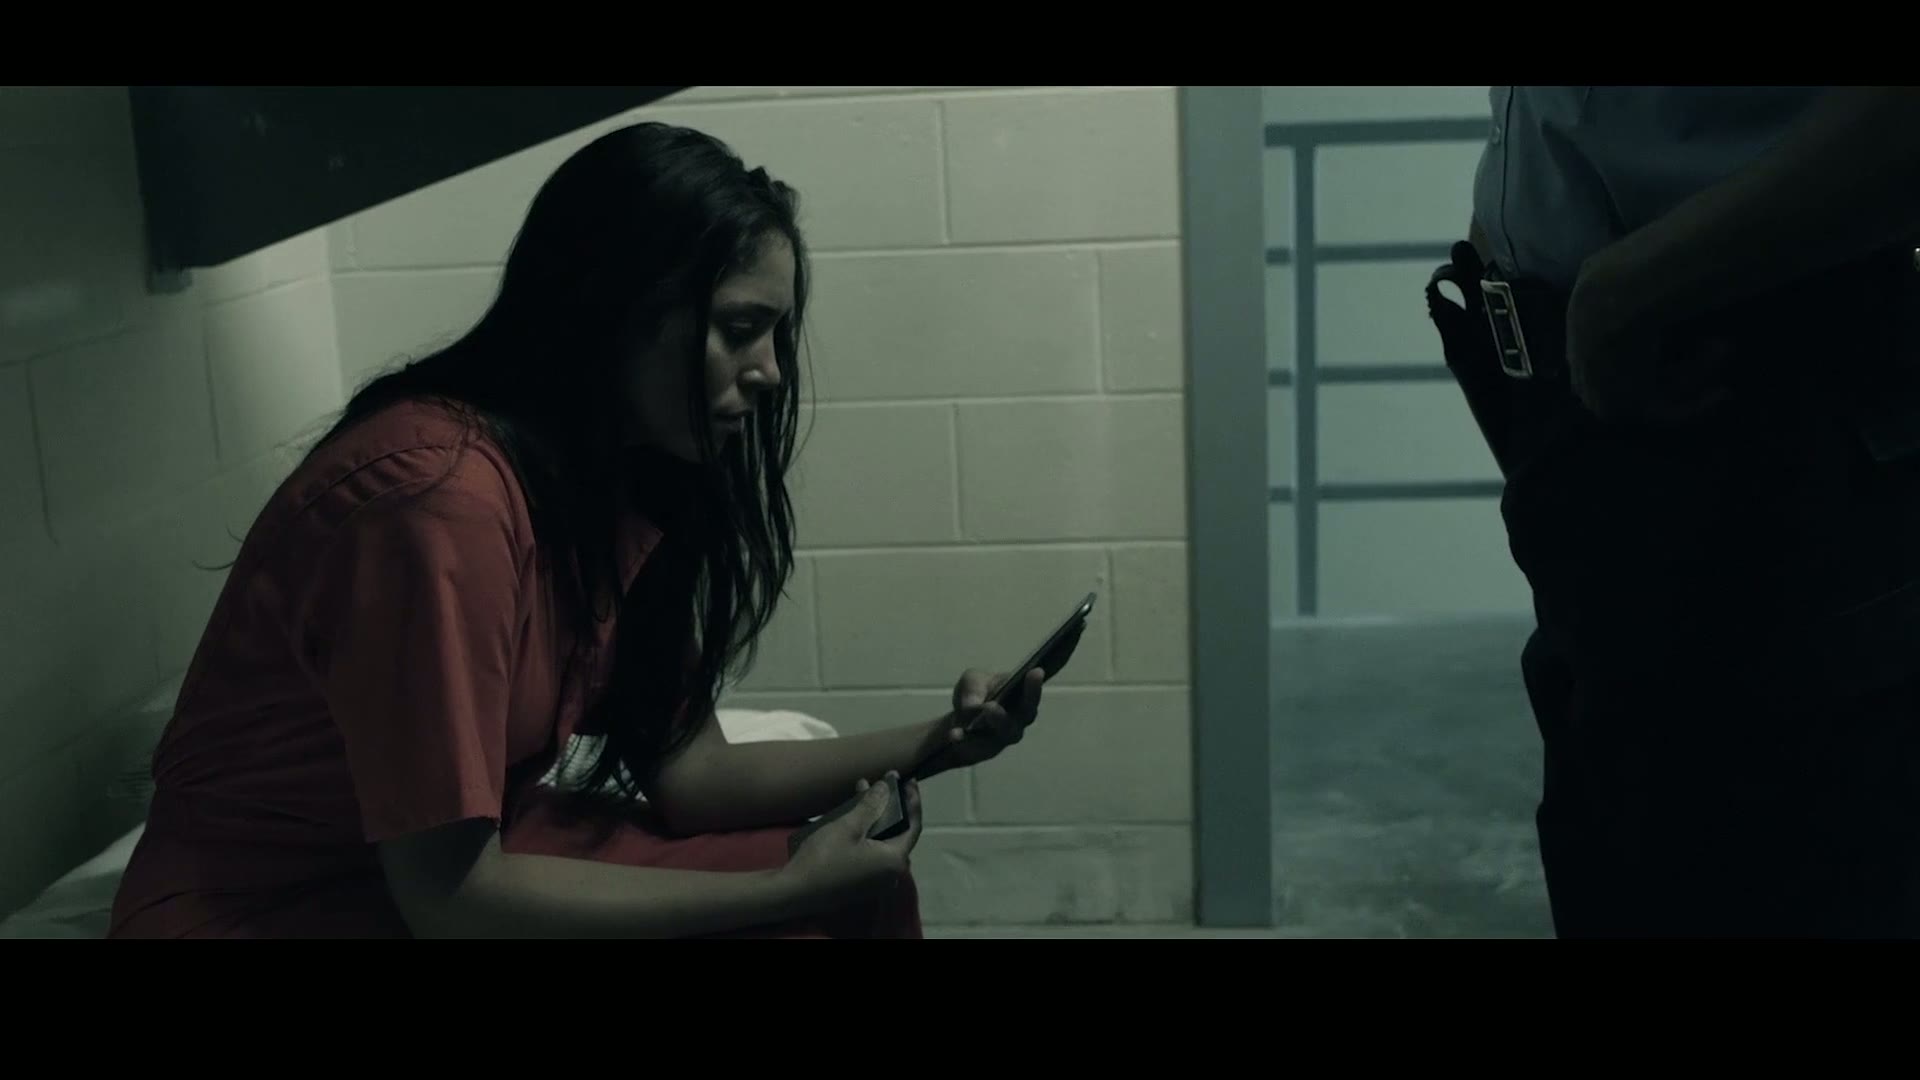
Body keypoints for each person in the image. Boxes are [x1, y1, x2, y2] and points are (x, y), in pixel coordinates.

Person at [108, 122, 1047, 939]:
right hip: (273, 909)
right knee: (808, 914)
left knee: (864, 895)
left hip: (438, 868)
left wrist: (945, 737)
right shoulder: (437, 500)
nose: (768, 371)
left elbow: (693, 777)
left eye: (776, 335)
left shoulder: (611, 479)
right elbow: (450, 899)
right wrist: (782, 888)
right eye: (739, 328)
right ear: (619, 308)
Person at [1429, 87, 1920, 937]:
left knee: (1785, 862)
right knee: (1633, 847)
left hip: (1757, 390)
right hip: (1601, 418)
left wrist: (1629, 292)